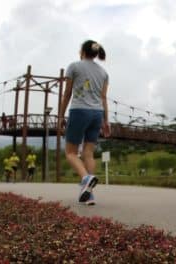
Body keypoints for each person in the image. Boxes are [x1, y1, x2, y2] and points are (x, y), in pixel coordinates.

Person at [59, 40, 111, 206]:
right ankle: (89, 195)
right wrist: (106, 120)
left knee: (70, 152)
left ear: (82, 51)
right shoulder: (103, 72)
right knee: (88, 153)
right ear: (96, 53)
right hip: (97, 114)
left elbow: (67, 94)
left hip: (79, 111)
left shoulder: (74, 66)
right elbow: (103, 98)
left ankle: (86, 178)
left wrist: (60, 115)